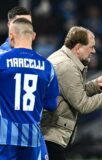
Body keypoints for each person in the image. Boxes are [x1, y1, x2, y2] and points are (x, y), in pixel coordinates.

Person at [41, 26, 102, 160]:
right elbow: (83, 105)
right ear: (78, 47)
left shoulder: (64, 59)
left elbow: (71, 92)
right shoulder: (66, 66)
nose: (94, 50)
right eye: (91, 47)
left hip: (51, 134)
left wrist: (96, 85)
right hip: (51, 137)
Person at [0, 18, 59, 160]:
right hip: (32, 138)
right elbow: (52, 105)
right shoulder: (47, 67)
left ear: (11, 36)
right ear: (33, 36)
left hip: (5, 138)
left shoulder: (2, 61)